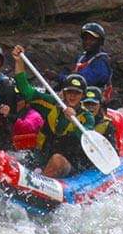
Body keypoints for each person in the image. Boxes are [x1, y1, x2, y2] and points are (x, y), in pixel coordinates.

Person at [12, 45, 95, 178]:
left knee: (57, 160)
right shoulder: (51, 105)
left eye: (77, 93)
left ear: (82, 96)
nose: (72, 96)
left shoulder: (87, 117)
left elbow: (87, 138)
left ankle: (37, 189)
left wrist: (74, 121)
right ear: (63, 92)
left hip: (69, 163)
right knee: (17, 159)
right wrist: (19, 62)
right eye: (69, 92)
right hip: (44, 155)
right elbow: (26, 91)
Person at [56, 22, 114, 102]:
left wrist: (57, 77)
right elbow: (69, 73)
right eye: (85, 39)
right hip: (77, 98)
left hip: (93, 102)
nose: (87, 42)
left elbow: (80, 81)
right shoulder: (81, 57)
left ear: (101, 42)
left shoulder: (101, 62)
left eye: (92, 39)